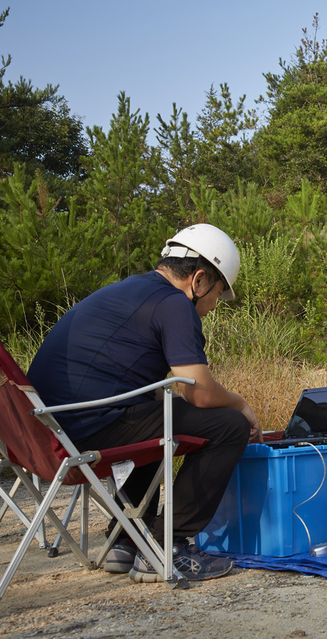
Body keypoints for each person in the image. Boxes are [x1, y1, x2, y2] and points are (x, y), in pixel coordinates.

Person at [27, 223, 261, 583]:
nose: (214, 306)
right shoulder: (174, 303)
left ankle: (127, 539)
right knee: (229, 426)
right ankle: (169, 545)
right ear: (198, 281)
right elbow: (198, 393)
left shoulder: (126, 289)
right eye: (217, 294)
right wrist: (240, 404)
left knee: (154, 410)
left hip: (47, 432)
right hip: (87, 430)